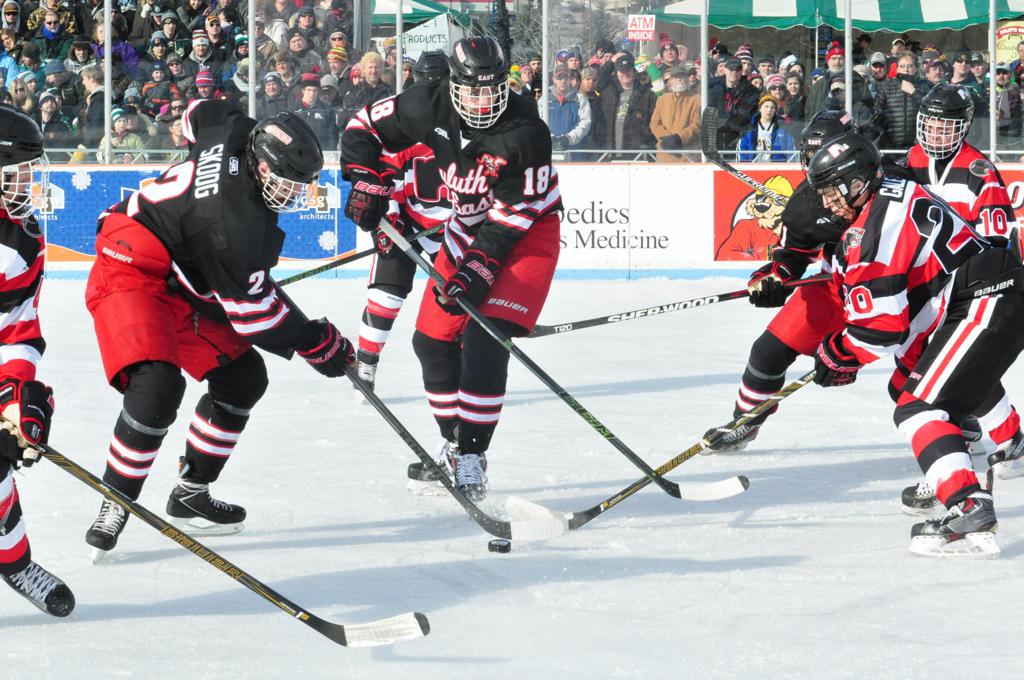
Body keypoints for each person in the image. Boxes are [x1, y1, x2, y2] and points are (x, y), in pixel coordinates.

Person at [83, 102, 354, 559]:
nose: (293, 195)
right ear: (261, 165)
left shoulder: (234, 129)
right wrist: (315, 342)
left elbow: (195, 112)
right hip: (131, 264)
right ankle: (116, 500)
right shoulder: (235, 228)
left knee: (243, 377)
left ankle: (191, 493)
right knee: (156, 386)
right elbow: (255, 318)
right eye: (288, 183)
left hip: (185, 276)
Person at [340, 37, 561, 501]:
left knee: (484, 337)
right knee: (431, 341)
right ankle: (455, 447)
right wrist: (366, 180)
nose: (483, 101)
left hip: (526, 233)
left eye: (492, 90)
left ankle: (473, 457)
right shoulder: (428, 102)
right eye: (473, 90)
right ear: (453, 85)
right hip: (467, 225)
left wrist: (477, 271)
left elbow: (510, 221)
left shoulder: (526, 130)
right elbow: (364, 127)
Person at [805, 132, 1024, 557]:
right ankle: (988, 449)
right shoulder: (893, 187)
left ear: (857, 183)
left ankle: (968, 504)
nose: (828, 203)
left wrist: (837, 354)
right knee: (912, 385)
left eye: (833, 191)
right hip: (986, 293)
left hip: (983, 299)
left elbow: (882, 329)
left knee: (917, 408)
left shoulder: (872, 231)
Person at [896, 83, 1024, 509]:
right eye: (931, 124)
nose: (936, 133)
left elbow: (997, 244)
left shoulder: (979, 172)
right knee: (950, 371)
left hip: (971, 292)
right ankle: (1005, 437)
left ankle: (956, 464)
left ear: (964, 127)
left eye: (946, 126)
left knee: (936, 381)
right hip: (929, 290)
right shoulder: (911, 162)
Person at [703, 110, 856, 452]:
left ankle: (960, 419)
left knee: (920, 363)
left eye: (823, 153)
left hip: (895, 288)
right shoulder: (805, 201)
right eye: (811, 153)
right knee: (768, 352)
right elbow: (793, 255)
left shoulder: (883, 183)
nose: (815, 163)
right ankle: (745, 422)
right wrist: (774, 279)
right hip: (837, 286)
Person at [0, 106, 73, 617]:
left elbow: (16, 328)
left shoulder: (20, 237)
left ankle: (15, 562)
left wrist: (14, 392)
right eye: (18, 173)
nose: (29, 183)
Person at [352, 50, 450, 395]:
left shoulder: (467, 122)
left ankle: (461, 365)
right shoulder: (404, 126)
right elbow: (386, 179)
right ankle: (366, 362)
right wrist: (389, 219)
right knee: (386, 296)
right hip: (408, 225)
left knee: (455, 302)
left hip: (453, 229)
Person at [873, 51, 925, 155]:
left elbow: (930, 111)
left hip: (918, 146)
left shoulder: (925, 85)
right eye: (902, 66)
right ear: (897, 68)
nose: (906, 69)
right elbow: (875, 115)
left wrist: (914, 92)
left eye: (910, 66)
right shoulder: (886, 86)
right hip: (890, 147)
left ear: (916, 68)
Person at [650, 64, 700, 163]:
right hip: (664, 155)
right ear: (670, 81)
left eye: (682, 76)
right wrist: (667, 138)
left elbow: (698, 124)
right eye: (675, 77)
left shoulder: (698, 100)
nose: (679, 80)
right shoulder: (662, 99)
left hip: (688, 155)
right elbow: (654, 123)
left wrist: (679, 138)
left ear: (687, 79)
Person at [737, 93, 796, 162]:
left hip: (776, 167)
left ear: (775, 111)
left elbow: (791, 151)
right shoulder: (749, 129)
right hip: (753, 166)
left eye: (772, 107)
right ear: (760, 108)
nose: (769, 110)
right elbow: (742, 150)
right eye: (766, 106)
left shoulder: (782, 129)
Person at [547, 63, 591, 154]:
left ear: (569, 79)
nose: (563, 81)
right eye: (559, 78)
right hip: (550, 149)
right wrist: (550, 138)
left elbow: (585, 122)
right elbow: (540, 122)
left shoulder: (580, 98)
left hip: (576, 151)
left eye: (566, 77)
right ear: (554, 79)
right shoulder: (545, 99)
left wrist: (568, 138)